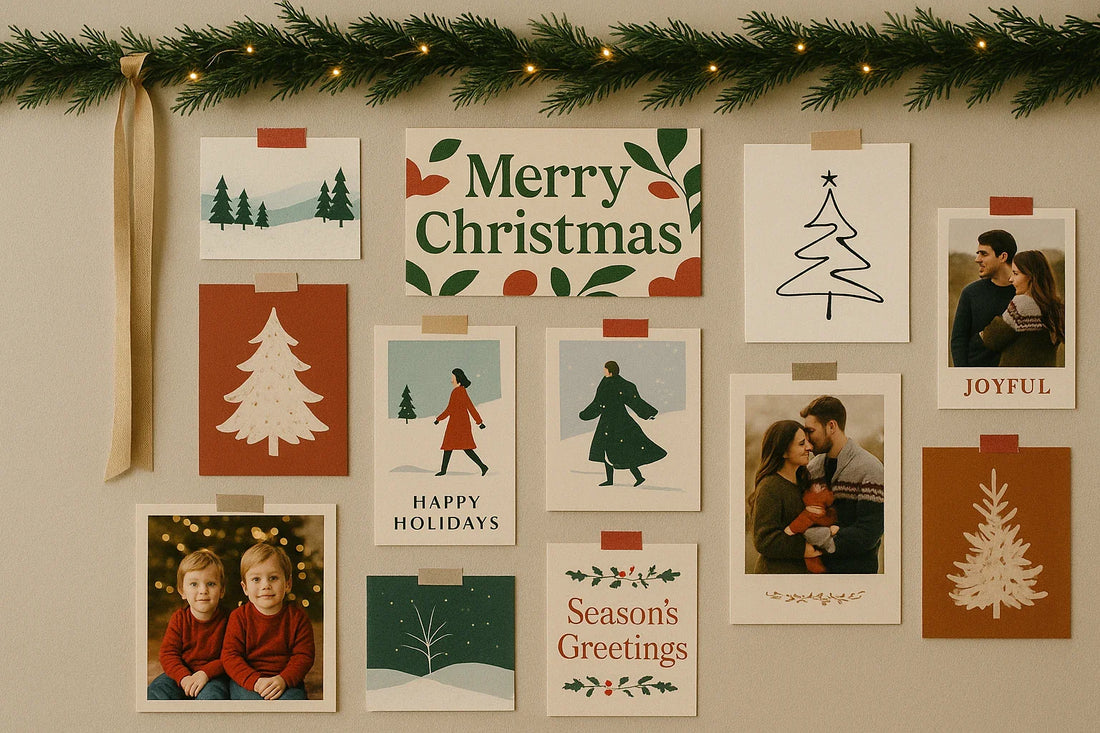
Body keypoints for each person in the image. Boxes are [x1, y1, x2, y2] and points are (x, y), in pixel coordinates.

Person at [801, 396, 885, 574]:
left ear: (831, 426)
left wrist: (818, 542)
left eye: (810, 431)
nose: (806, 440)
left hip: (856, 578)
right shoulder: (812, 468)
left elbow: (868, 534)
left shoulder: (871, 468)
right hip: (814, 579)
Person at [221, 543, 315, 700]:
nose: (265, 585)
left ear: (288, 584)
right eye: (256, 579)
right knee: (250, 708)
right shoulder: (238, 617)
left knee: (294, 707)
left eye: (273, 578)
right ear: (245, 588)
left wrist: (283, 679)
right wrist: (255, 682)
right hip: (247, 681)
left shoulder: (298, 618)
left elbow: (304, 656)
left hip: (285, 679)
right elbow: (230, 656)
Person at [749, 420, 835, 573]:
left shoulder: (803, 481)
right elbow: (764, 540)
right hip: (774, 577)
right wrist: (803, 548)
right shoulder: (769, 487)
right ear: (783, 452)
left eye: (808, 442)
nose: (809, 447)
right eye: (802, 444)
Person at [147, 548, 230, 700]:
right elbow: (168, 654)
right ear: (182, 591)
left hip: (213, 676)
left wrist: (205, 673)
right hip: (182, 673)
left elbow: (231, 656)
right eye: (194, 584)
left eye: (211, 584)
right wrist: (183, 677)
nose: (203, 590)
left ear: (222, 590)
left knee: (212, 698)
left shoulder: (229, 620)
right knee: (155, 691)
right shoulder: (179, 619)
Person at [579, 360, 666, 487]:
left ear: (610, 370)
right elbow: (599, 402)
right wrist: (586, 414)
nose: (603, 371)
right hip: (613, 420)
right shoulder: (611, 382)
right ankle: (611, 480)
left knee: (624, 449)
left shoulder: (617, 384)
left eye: (605, 369)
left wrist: (648, 414)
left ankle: (638, 477)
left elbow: (632, 401)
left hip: (616, 422)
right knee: (610, 450)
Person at [980, 249, 1065, 367]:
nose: (1011, 279)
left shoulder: (1021, 305)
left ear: (1030, 276)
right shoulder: (1057, 307)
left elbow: (991, 339)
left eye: (1016, 274)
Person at [950, 229, 1017, 367]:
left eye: (984, 254)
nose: (977, 259)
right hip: (976, 382)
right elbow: (958, 340)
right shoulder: (970, 292)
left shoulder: (1026, 293)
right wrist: (962, 376)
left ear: (1003, 256)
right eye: (978, 253)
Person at [434, 367, 488, 476]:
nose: (451, 380)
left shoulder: (459, 392)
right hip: (457, 424)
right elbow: (463, 408)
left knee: (461, 447)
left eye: (452, 378)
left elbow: (459, 408)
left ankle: (483, 466)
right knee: (451, 447)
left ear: (458, 378)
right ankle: (444, 470)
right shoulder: (459, 391)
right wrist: (479, 422)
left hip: (458, 425)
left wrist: (438, 419)